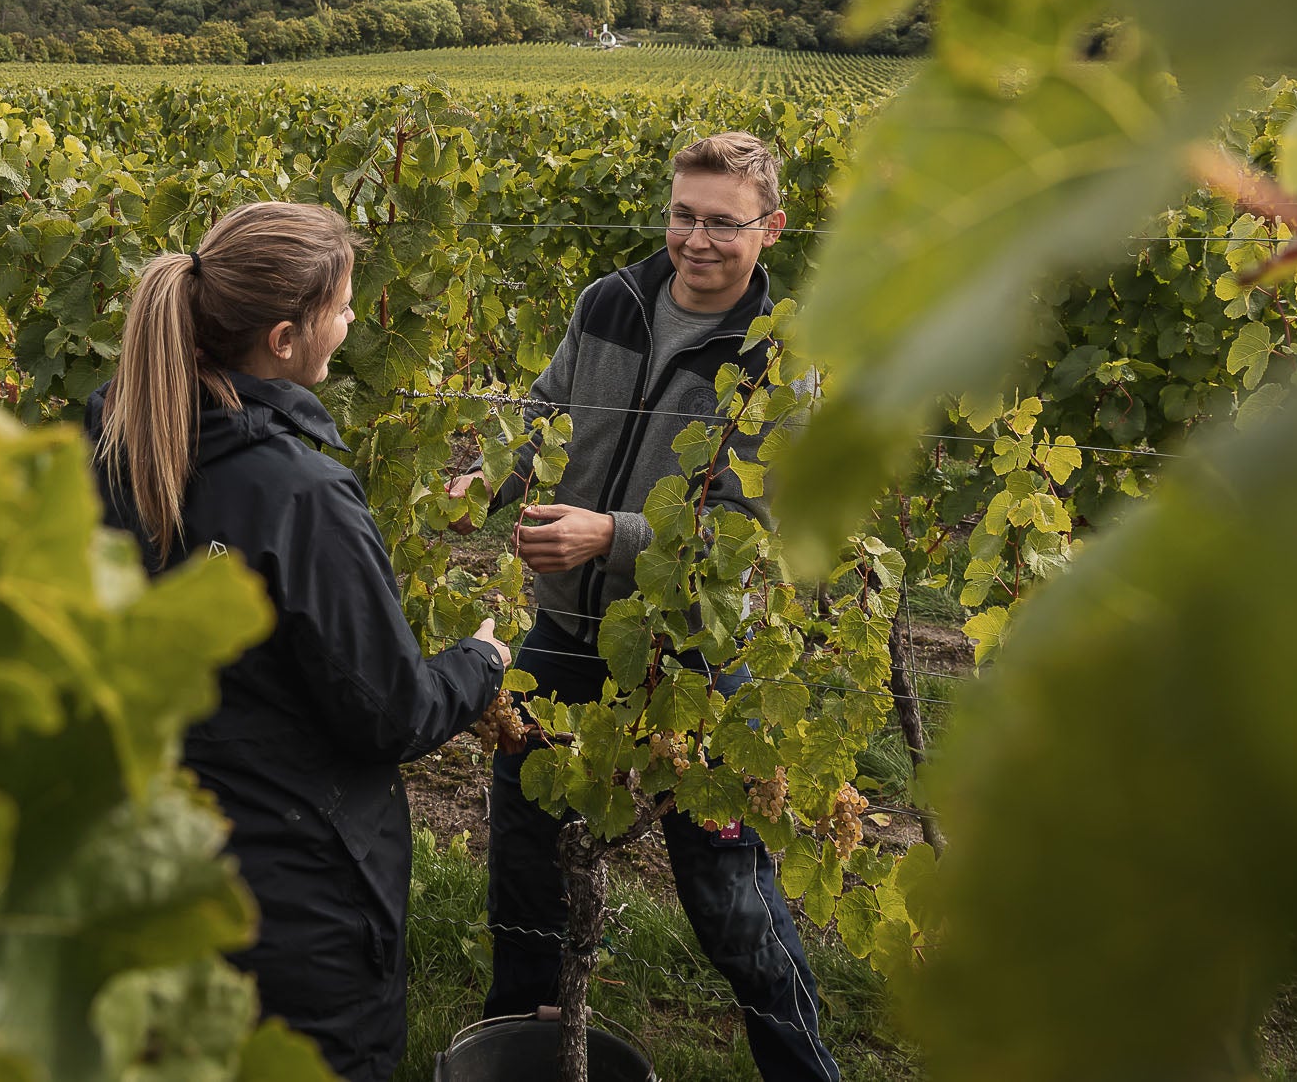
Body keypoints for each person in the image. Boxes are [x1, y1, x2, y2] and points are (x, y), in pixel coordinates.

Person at [449, 132, 841, 1082]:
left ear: (771, 228)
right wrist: (486, 477)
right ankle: (524, 1048)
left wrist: (608, 534)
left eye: (721, 221)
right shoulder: (609, 302)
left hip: (692, 655)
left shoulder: (782, 363)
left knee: (729, 894)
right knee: (527, 861)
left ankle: (806, 1070)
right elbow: (545, 412)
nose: (695, 239)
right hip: (562, 634)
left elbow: (748, 533)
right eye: (681, 214)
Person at [86, 200, 509, 1082]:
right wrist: (482, 660)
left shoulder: (107, 444)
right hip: (291, 911)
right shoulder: (301, 496)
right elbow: (390, 714)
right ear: (284, 338)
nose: (354, 319)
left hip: (145, 870)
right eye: (345, 305)